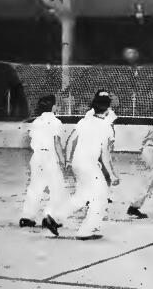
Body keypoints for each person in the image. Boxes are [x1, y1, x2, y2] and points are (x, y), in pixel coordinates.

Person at [43, 92, 119, 240]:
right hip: (89, 165)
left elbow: (71, 140)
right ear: (107, 109)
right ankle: (86, 231)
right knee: (101, 196)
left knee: (82, 196)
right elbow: (105, 155)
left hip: (78, 163)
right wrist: (112, 174)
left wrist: (69, 161)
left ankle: (54, 218)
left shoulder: (84, 121)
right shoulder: (106, 127)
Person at [19, 95, 67, 228]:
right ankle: (49, 216)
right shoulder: (56, 122)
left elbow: (32, 140)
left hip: (36, 157)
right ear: (52, 107)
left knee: (35, 188)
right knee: (57, 188)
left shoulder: (35, 122)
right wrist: (63, 159)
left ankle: (26, 217)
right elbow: (57, 143)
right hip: (49, 157)